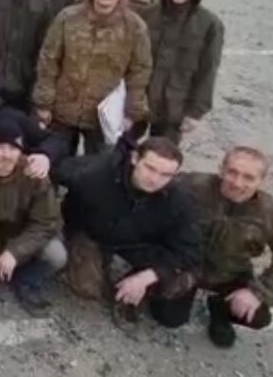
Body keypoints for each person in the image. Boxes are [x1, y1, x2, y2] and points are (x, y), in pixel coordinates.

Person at [54, 136, 201, 330]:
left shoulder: (179, 201)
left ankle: (132, 291)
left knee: (175, 298)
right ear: (135, 158)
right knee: (87, 288)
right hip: (93, 233)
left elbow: (190, 251)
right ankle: (106, 278)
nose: (154, 179)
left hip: (140, 242)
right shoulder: (95, 173)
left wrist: (149, 276)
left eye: (165, 175)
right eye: (150, 168)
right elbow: (54, 170)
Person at [178, 147, 273, 348]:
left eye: (249, 177)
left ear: (262, 181)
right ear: (221, 170)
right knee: (169, 317)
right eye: (232, 172)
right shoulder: (191, 186)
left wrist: (258, 292)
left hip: (230, 275)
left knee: (257, 317)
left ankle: (220, 308)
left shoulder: (272, 213)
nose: (237, 183)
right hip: (185, 267)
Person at [33, 0, 152, 156]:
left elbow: (140, 71)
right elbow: (49, 60)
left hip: (104, 115)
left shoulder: (135, 27)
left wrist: (131, 112)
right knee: (56, 161)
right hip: (62, 109)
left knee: (99, 167)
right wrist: (43, 102)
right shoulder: (67, 18)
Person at [0, 121, 66, 313]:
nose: (6, 154)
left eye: (13, 148)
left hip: (22, 234)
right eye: (0, 147)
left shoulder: (34, 174)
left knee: (56, 255)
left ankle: (25, 280)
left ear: (20, 152)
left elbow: (45, 223)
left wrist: (15, 252)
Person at [142, 0, 225, 144]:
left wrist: (195, 112)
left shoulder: (209, 24)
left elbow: (208, 70)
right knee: (121, 150)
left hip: (174, 105)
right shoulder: (147, 15)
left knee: (162, 154)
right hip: (140, 99)